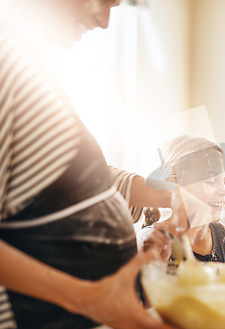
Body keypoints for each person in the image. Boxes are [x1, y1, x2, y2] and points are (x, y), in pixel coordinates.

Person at [0, 1, 208, 328]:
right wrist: (88, 298)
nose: (105, 20)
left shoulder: (32, 65)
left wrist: (167, 195)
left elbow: (75, 180)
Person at [138, 135, 225, 267]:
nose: (224, 191)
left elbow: (216, 286)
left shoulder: (220, 234)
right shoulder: (154, 241)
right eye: (211, 181)